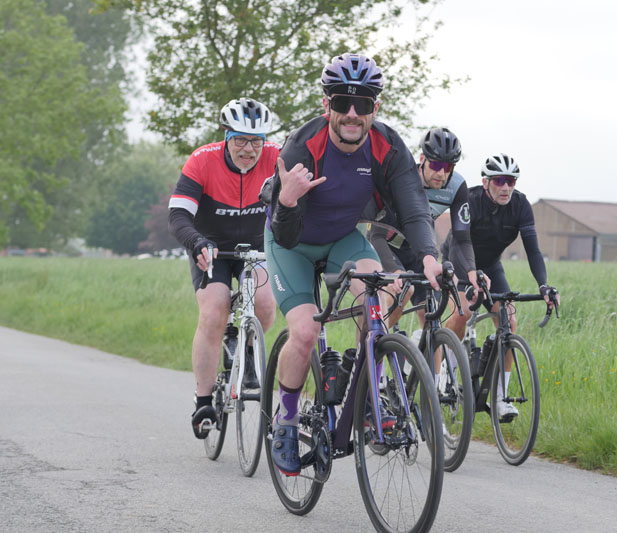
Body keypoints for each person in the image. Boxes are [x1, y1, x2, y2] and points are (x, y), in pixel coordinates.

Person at [265, 53, 443, 476]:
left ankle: (364, 394)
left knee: (382, 297)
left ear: (374, 108)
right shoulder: (304, 145)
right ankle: (286, 420)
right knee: (305, 332)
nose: (351, 113)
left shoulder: (388, 146)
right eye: (342, 102)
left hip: (343, 238)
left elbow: (414, 207)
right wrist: (287, 199)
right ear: (325, 103)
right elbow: (285, 235)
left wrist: (429, 256)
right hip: (291, 244)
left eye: (362, 104)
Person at [168, 97, 281, 438]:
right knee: (214, 310)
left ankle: (246, 349)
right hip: (212, 247)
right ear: (226, 136)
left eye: (256, 141)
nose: (248, 149)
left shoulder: (277, 158)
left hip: (258, 247)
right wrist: (196, 243)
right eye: (240, 140)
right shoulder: (203, 160)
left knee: (265, 304)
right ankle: (204, 401)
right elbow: (178, 215)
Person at [442, 153, 559, 418]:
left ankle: (500, 398)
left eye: (511, 181)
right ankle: (447, 372)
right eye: (499, 181)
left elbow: (533, 250)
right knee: (463, 312)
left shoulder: (521, 205)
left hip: (491, 266)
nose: (506, 187)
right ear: (486, 182)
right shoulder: (470, 200)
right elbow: (460, 243)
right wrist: (470, 275)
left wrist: (543, 285)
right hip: (460, 260)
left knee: (509, 322)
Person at [368, 127, 480, 387]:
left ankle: (433, 393)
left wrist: (472, 274)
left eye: (448, 167)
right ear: (422, 159)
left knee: (432, 318)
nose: (441, 173)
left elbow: (462, 238)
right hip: (387, 245)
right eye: (436, 165)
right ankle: (372, 357)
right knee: (400, 292)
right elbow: (376, 233)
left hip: (420, 252)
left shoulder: (456, 186)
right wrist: (394, 272)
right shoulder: (403, 178)